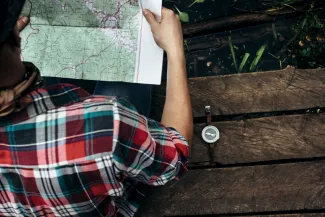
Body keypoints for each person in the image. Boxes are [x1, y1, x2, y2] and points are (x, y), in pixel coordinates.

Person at [0, 0, 193, 216]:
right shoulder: (108, 126)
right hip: (106, 198)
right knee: (122, 81)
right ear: (15, 38)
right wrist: (175, 51)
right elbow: (177, 156)